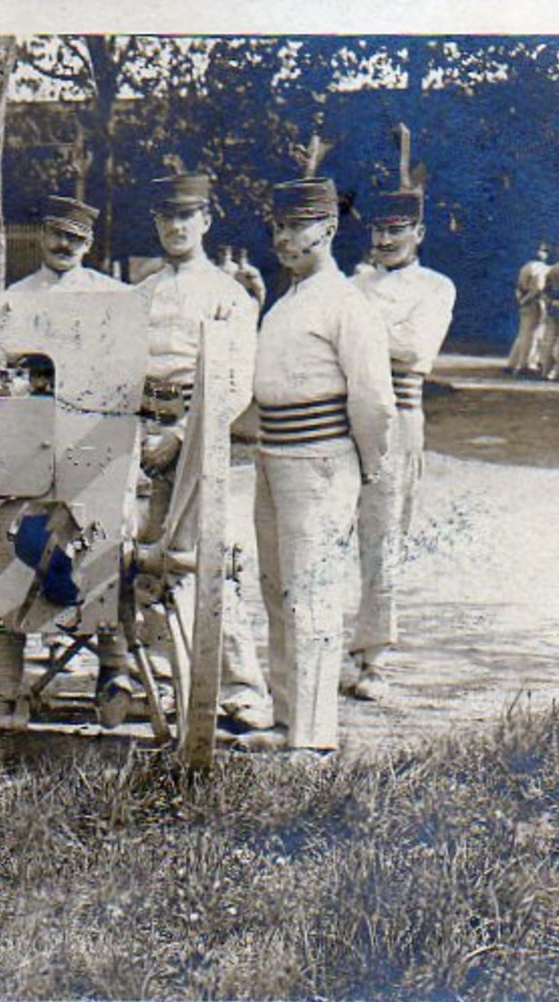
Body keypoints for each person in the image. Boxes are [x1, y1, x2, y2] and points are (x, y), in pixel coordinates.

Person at [237, 173, 394, 754]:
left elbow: (374, 399)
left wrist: (368, 468)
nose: (284, 236)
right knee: (278, 589)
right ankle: (285, 720)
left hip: (321, 459)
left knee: (311, 594)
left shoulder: (347, 303)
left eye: (298, 225)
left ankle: (313, 737)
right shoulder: (288, 300)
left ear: (328, 227)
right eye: (278, 225)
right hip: (273, 455)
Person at [0, 195, 131, 714]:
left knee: (102, 542)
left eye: (76, 239)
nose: (65, 246)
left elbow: (127, 372)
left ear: (89, 244)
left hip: (92, 436)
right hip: (30, 435)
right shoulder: (17, 296)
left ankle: (113, 667)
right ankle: (0, 677)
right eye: (57, 234)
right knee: (13, 539)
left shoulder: (112, 298)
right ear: (41, 234)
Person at [131, 171, 271, 728]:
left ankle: (242, 686)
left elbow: (236, 384)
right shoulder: (141, 291)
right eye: (166, 217)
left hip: (195, 437)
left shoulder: (228, 295)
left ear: (206, 221)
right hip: (139, 433)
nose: (175, 227)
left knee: (203, 562)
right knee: (140, 562)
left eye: (186, 217)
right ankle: (161, 680)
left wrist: (183, 436)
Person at [347, 184, 457, 701]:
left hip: (396, 419)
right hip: (340, 418)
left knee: (383, 538)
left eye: (396, 229)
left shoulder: (436, 287)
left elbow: (413, 350)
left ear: (419, 233)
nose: (385, 238)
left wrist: (353, 334)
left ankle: (375, 657)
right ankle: (324, 648)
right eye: (377, 228)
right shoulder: (354, 282)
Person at [505, 245, 550, 375]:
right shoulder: (541, 268)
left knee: (523, 333)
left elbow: (518, 287)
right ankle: (526, 364)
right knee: (532, 334)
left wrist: (520, 300)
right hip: (535, 302)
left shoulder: (526, 266)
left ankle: (513, 362)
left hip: (525, 302)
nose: (543, 253)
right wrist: (526, 299)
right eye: (542, 251)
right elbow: (538, 288)